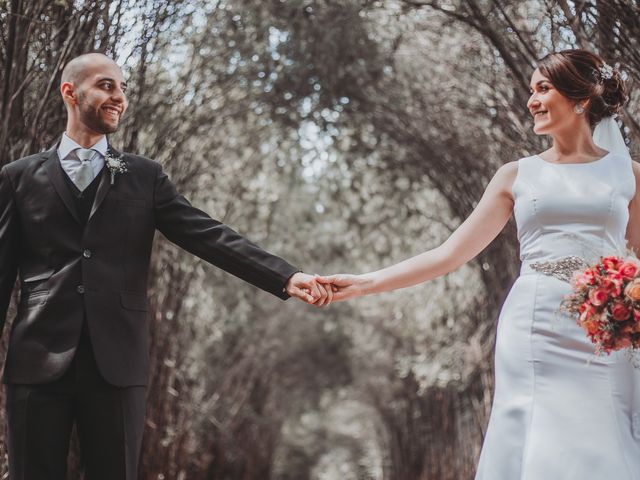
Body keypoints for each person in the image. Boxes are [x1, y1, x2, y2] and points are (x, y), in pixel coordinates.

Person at [0, 52, 332, 480]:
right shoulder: (17, 177)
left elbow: (209, 236)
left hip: (117, 365)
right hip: (36, 363)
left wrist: (286, 276)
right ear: (69, 92)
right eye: (106, 85)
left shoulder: (144, 176)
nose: (119, 96)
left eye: (122, 88)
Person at [318, 49, 640, 478]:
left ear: (580, 98)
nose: (532, 100)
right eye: (531, 90)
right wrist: (363, 283)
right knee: (535, 434)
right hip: (536, 323)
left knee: (606, 431)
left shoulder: (629, 174)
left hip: (608, 330)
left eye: (543, 88)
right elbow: (449, 253)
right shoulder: (516, 175)